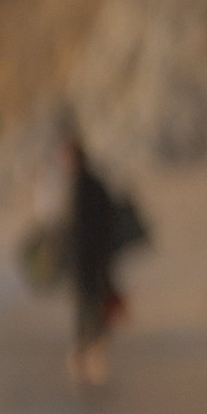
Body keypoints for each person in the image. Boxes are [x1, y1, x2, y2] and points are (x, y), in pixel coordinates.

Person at [56, 112, 146, 396]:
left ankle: (88, 360)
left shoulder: (82, 185)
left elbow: (79, 229)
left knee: (88, 307)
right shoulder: (94, 183)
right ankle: (90, 357)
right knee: (93, 305)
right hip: (98, 258)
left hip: (86, 260)